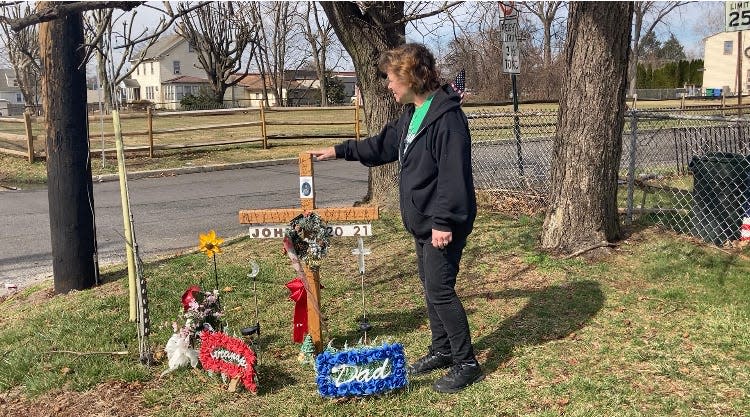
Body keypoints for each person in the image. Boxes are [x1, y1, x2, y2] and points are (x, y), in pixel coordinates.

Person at [310, 43, 482, 393]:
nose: (388, 85)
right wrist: (340, 150)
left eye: (391, 78)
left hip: (440, 224)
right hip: (422, 221)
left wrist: (443, 223)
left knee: (440, 289)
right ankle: (442, 349)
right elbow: (383, 146)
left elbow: (453, 176)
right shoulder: (412, 114)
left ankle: (467, 362)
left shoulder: (447, 118)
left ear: (410, 75)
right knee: (430, 286)